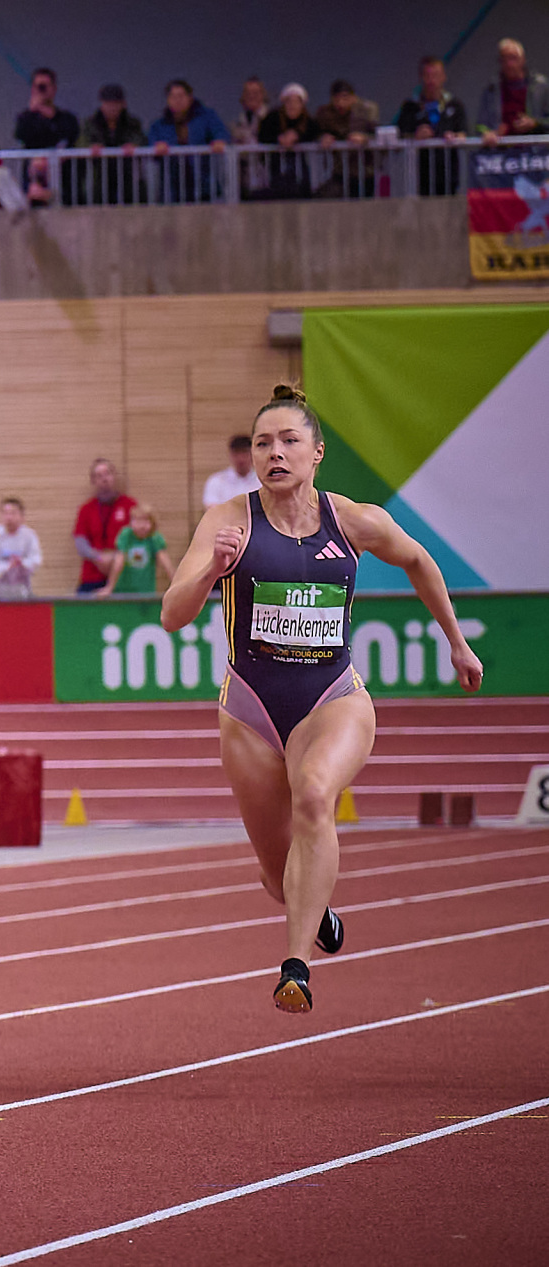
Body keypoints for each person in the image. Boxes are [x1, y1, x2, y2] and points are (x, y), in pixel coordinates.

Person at [160, 385, 483, 1013]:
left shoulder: (351, 519)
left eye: (288, 441)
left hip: (333, 696)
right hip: (251, 710)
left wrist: (457, 640)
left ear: (317, 453)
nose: (274, 453)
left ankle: (296, 966)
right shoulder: (229, 520)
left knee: (314, 795)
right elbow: (173, 615)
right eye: (262, 444)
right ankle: (318, 911)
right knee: (278, 873)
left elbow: (418, 559)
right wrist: (209, 570)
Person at [396, 57, 470, 197]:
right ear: (421, 78)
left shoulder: (455, 105)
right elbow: (401, 135)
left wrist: (454, 137)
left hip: (448, 174)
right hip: (419, 175)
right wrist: (415, 137)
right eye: (427, 76)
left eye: (435, 76)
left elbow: (463, 132)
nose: (431, 81)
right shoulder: (410, 107)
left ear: (443, 77)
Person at [147, 79, 230, 203]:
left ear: (190, 97)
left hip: (203, 185)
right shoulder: (159, 125)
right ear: (168, 100)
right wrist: (156, 147)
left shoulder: (206, 117)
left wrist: (219, 140)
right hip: (172, 188)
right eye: (173, 96)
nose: (177, 100)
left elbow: (221, 132)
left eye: (181, 96)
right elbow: (151, 142)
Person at [14, 67, 78, 206]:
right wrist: (32, 112)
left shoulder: (66, 118)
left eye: (44, 87)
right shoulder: (25, 118)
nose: (41, 91)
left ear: (54, 89)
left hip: (62, 178)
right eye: (38, 87)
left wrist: (49, 115)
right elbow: (20, 135)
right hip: (33, 176)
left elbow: (69, 137)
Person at [77, 84, 148, 205]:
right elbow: (81, 142)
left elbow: (141, 139)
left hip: (127, 173)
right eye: (108, 103)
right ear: (101, 104)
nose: (112, 107)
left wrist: (134, 145)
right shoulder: (90, 123)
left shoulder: (133, 123)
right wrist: (91, 147)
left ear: (123, 104)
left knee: (134, 198)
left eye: (115, 103)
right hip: (99, 175)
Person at [72, 458, 135, 593]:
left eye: (107, 474)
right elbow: (80, 543)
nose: (104, 479)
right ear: (93, 481)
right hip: (92, 576)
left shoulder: (130, 505)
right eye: (99, 476)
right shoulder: (86, 509)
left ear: (114, 476)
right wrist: (98, 558)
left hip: (123, 576)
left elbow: (139, 539)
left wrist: (114, 558)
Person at [257, 85, 323, 200]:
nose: (292, 105)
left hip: (301, 170)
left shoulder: (309, 121)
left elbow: (316, 133)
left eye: (297, 102)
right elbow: (263, 135)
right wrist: (279, 139)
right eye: (289, 101)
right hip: (277, 168)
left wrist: (297, 135)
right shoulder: (272, 118)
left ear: (302, 104)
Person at [478, 38, 549, 138]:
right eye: (504, 59)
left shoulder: (541, 86)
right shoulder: (491, 90)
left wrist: (535, 123)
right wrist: (488, 133)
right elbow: (480, 126)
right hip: (501, 149)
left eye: (513, 58)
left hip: (535, 149)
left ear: (523, 60)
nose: (509, 64)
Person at [99, 503, 172, 595]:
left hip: (146, 592)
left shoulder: (154, 537)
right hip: (123, 591)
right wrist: (109, 587)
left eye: (145, 521)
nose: (141, 526)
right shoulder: (126, 535)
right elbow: (118, 561)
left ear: (152, 524)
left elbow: (165, 562)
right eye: (137, 521)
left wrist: (175, 584)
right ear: (131, 522)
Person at [0, 497, 41, 599]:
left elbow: (36, 560)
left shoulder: (29, 536)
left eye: (13, 513)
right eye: (5, 513)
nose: (9, 517)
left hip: (23, 591)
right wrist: (7, 566)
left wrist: (22, 563)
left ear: (22, 516)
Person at [203, 434, 262, 507]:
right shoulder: (216, 481)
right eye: (236, 453)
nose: (241, 458)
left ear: (252, 454)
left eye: (244, 452)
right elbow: (211, 510)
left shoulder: (261, 481)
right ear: (230, 454)